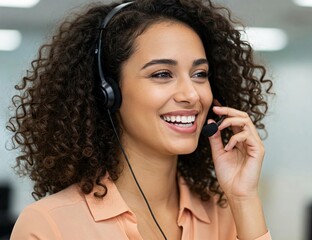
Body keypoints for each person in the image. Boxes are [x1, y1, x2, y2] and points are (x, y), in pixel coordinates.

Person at [7, 0, 273, 239]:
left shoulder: (226, 213)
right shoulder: (49, 225)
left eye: (199, 74)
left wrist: (243, 199)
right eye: (162, 74)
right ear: (108, 92)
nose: (192, 94)